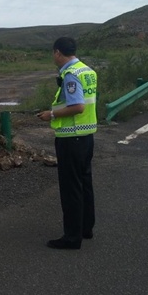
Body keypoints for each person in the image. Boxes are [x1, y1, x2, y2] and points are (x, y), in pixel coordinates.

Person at [37, 37, 97, 250]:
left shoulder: (71, 74)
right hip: (87, 136)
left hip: (72, 138)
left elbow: (78, 106)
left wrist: (51, 114)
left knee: (71, 188)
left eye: (53, 53)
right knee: (84, 183)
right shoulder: (87, 70)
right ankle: (85, 228)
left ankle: (72, 238)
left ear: (58, 52)